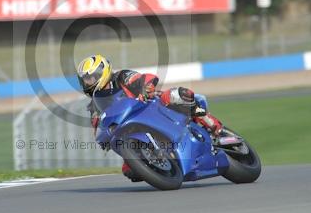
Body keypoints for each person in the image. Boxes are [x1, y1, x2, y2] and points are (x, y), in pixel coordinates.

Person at [76, 54, 224, 182]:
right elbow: (97, 126)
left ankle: (208, 120)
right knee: (129, 170)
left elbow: (145, 78)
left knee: (175, 95)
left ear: (103, 71)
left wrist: (145, 88)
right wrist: (103, 137)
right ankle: (160, 167)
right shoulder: (94, 105)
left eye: (91, 77)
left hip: (154, 106)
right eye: (85, 80)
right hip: (128, 125)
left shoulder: (121, 76)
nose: (88, 82)